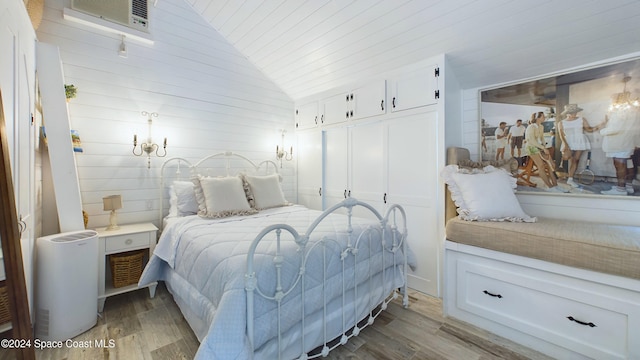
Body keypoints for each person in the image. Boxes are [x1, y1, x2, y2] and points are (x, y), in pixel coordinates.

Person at [557, 104, 608, 188]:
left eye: (575, 112)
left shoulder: (581, 119)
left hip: (580, 140)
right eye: (572, 112)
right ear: (567, 112)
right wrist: (566, 145)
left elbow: (589, 129)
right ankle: (566, 174)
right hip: (567, 141)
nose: (574, 113)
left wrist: (602, 124)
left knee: (575, 160)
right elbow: (561, 135)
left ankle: (570, 179)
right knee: (566, 157)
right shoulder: (561, 122)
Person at [600, 110, 639, 195]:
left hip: (619, 144)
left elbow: (616, 129)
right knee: (629, 164)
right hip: (628, 142)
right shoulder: (633, 111)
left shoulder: (622, 112)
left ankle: (621, 189)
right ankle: (628, 186)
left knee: (620, 165)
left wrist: (602, 131)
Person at [525, 112, 563, 191]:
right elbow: (531, 140)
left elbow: (542, 138)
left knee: (549, 165)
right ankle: (550, 187)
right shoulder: (531, 127)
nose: (544, 117)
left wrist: (544, 147)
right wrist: (543, 148)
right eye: (543, 116)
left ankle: (555, 185)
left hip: (540, 147)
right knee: (541, 166)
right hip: (531, 147)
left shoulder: (541, 126)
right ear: (537, 118)